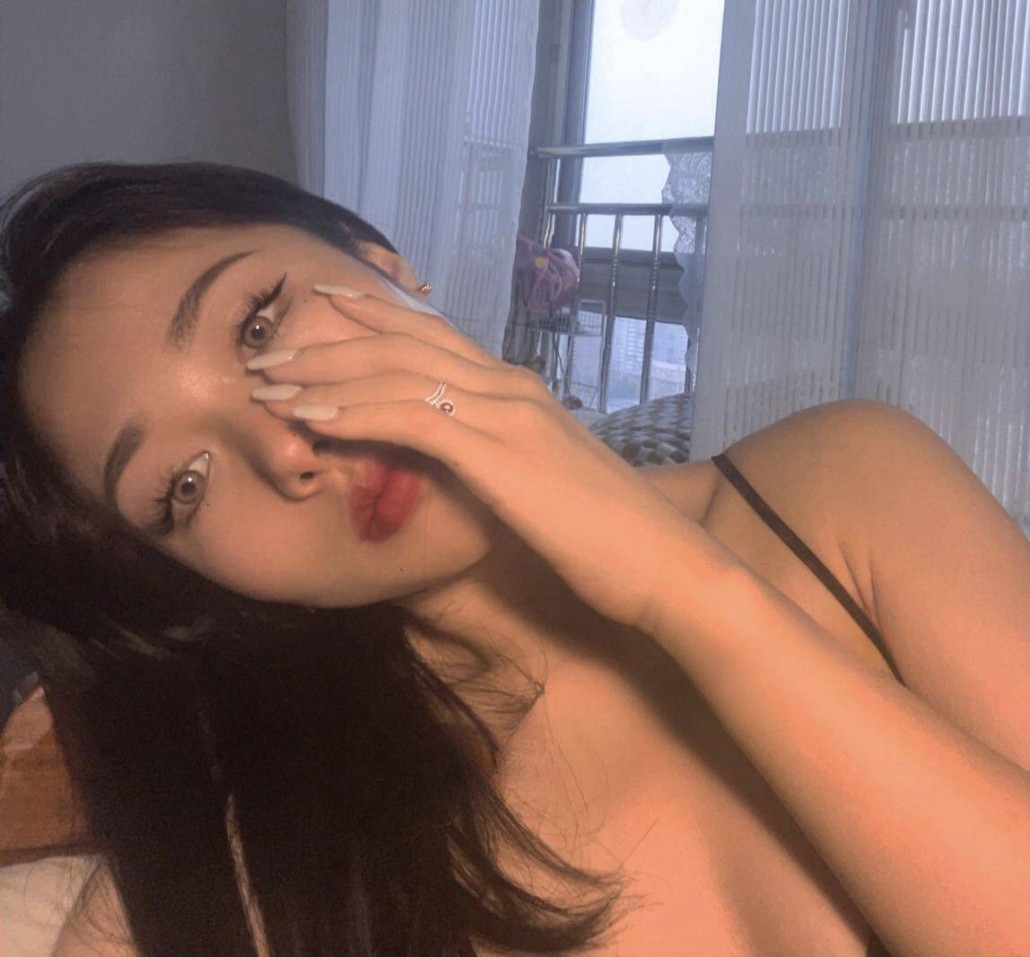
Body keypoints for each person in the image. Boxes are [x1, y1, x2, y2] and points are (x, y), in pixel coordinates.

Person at [0, 162, 1026, 957]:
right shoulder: (267, 871)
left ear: (380, 260)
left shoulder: (843, 485)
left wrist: (681, 587)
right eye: (184, 487)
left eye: (260, 321)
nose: (287, 447)